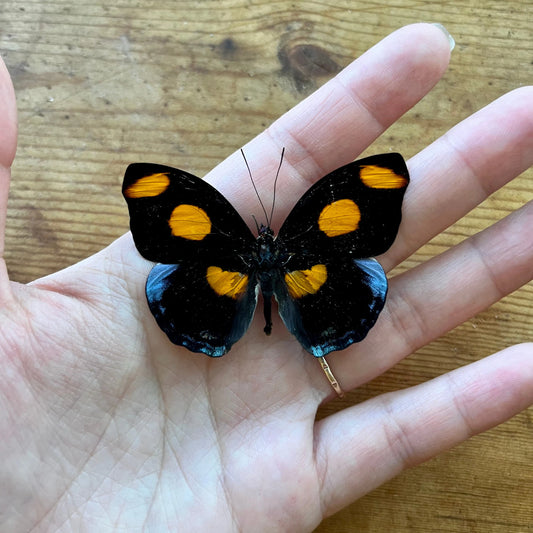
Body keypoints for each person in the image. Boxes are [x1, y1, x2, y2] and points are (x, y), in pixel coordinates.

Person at [0, 23, 531, 532]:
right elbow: (148, 187)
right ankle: (311, 330)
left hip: (222, 279)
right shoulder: (304, 227)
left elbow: (380, 178)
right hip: (311, 275)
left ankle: (267, 329)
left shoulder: (226, 229)